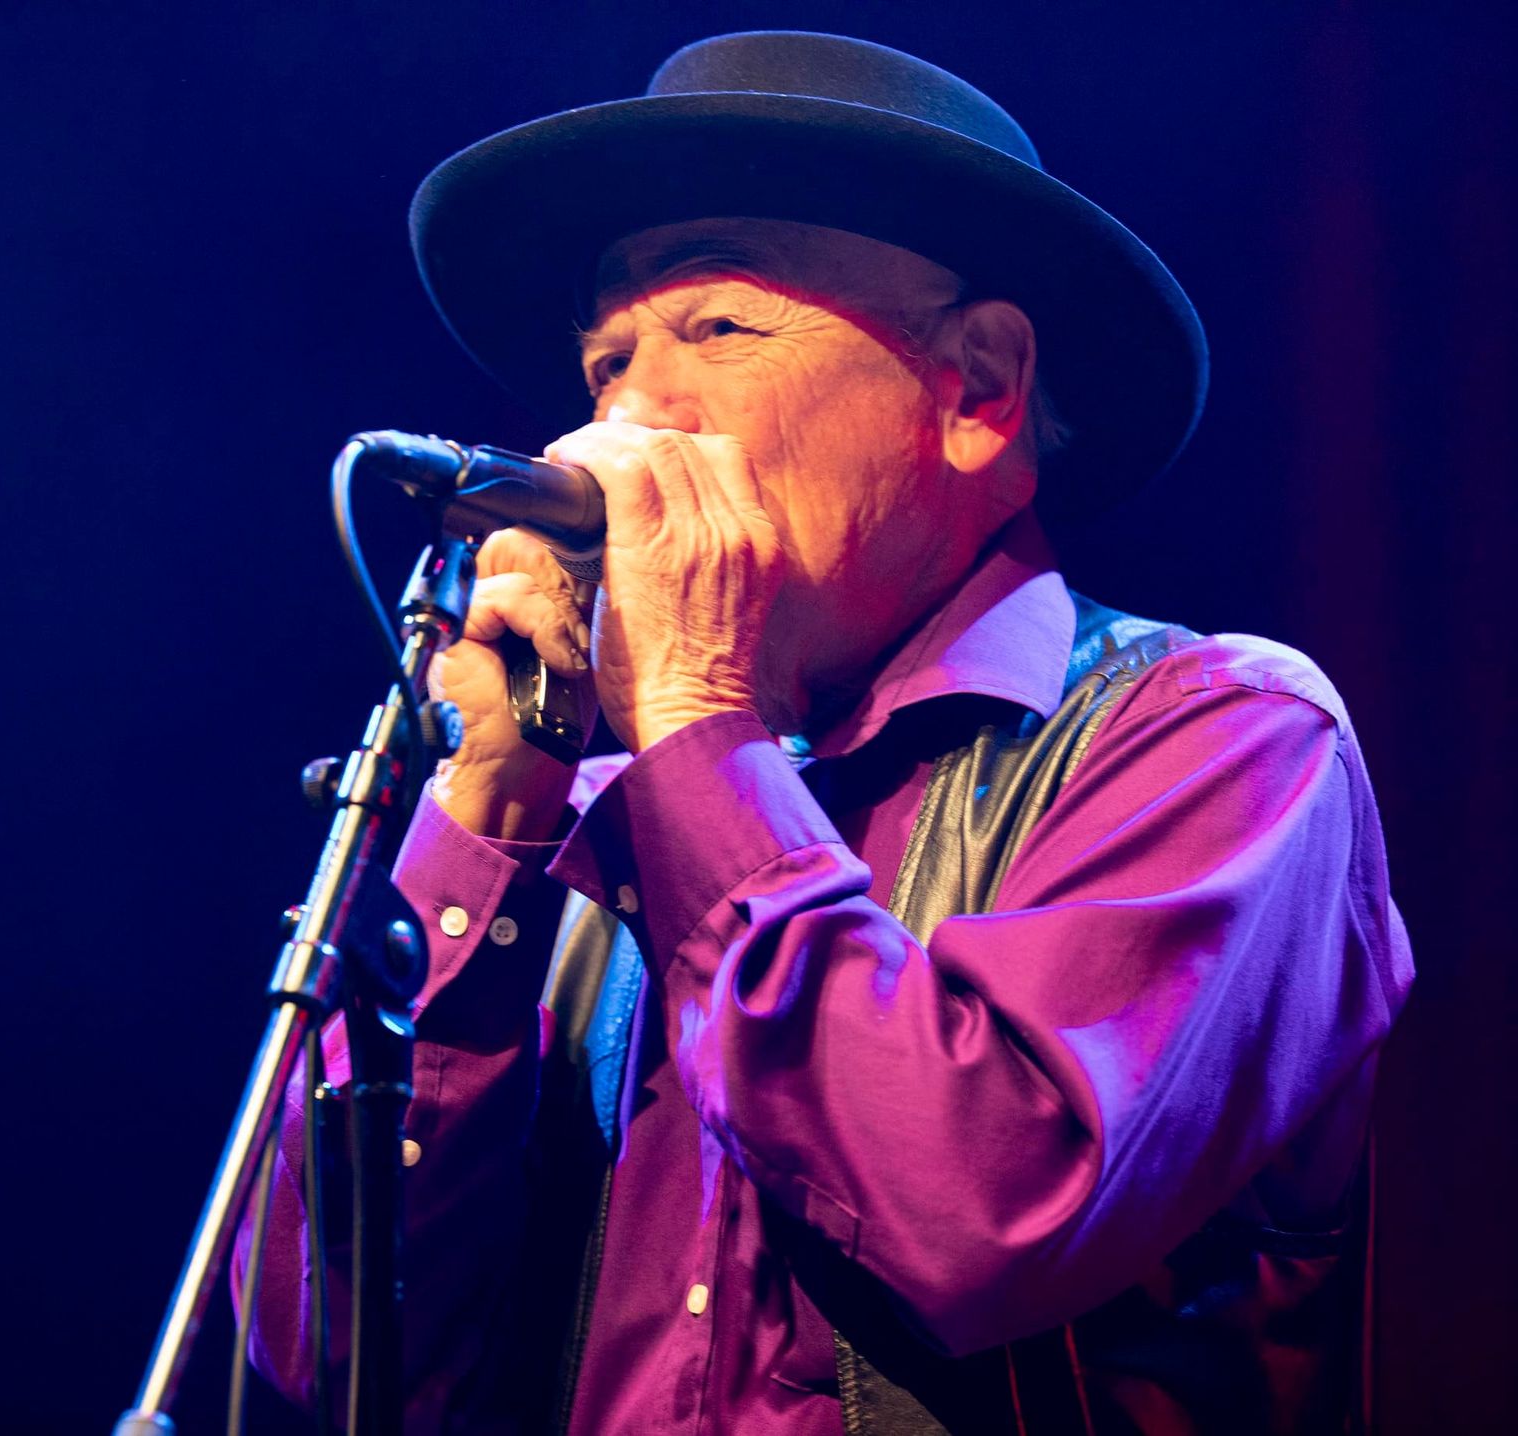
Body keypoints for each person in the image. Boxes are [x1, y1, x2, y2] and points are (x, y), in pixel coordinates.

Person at [239, 31, 1412, 1434]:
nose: (629, 416)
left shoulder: (1223, 740)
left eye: (719, 330)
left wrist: (693, 716)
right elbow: (321, 1352)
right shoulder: (586, 823)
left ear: (978, 387)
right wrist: (484, 817)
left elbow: (980, 1214)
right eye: (606, 363)